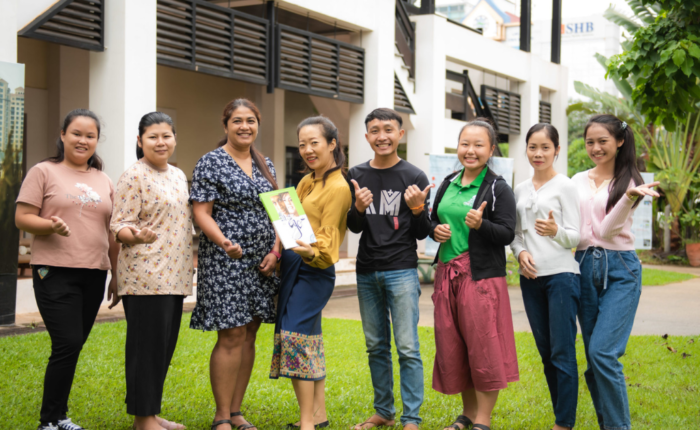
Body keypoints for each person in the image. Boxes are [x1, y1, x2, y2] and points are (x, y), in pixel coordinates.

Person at [15, 109, 119, 430]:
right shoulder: (43, 172)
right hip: (54, 270)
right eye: (76, 133)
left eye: (90, 136)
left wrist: (117, 273)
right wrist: (49, 226)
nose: (83, 140)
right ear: (62, 135)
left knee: (72, 344)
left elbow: (112, 231)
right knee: (68, 341)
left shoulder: (103, 180)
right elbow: (22, 218)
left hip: (94, 273)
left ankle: (59, 416)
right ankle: (49, 419)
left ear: (96, 141)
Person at [189, 99, 281, 430]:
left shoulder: (265, 162)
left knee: (250, 333)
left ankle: (238, 412)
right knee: (232, 333)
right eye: (238, 120)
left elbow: (278, 211)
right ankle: (221, 415)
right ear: (225, 125)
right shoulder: (210, 162)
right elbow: (201, 211)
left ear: (258, 124)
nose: (245, 126)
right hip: (226, 259)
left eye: (251, 121)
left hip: (262, 262)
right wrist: (223, 241)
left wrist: (276, 250)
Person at [429, 118, 518, 430]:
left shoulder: (498, 188)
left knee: (483, 347)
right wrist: (434, 229)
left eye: (479, 145)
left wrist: (482, 225)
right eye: (465, 144)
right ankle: (467, 414)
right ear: (458, 147)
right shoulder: (448, 182)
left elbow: (507, 233)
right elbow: (433, 220)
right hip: (447, 275)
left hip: (480, 278)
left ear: (491, 149)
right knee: (454, 345)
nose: (471, 150)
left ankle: (483, 418)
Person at [347, 108, 431, 430]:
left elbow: (422, 230)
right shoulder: (355, 175)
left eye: (388, 129)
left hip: (402, 269)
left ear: (400, 134)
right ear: (367, 136)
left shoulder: (415, 176)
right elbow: (353, 227)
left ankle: (411, 418)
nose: (381, 136)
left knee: (408, 346)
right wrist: (357, 208)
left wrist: (418, 208)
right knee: (375, 346)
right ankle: (383, 411)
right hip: (366, 269)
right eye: (374, 130)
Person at [573, 114, 659, 430]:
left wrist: (626, 199)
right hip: (582, 265)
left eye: (603, 141)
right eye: (590, 142)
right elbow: (579, 232)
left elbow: (607, 231)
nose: (595, 148)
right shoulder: (577, 181)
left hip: (621, 269)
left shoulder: (631, 183)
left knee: (602, 353)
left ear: (619, 142)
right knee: (595, 364)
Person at [110, 112, 193, 430]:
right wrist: (136, 235)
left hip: (174, 275)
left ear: (174, 138)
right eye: (153, 136)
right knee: (146, 349)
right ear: (140, 140)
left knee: (162, 348)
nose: (161, 142)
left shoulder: (177, 174)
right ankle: (142, 420)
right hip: (145, 275)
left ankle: (152, 413)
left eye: (166, 135)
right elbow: (119, 224)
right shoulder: (134, 175)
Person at [269, 116, 351, 430]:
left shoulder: (339, 187)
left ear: (332, 144)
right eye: (302, 144)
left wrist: (309, 252)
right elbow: (290, 223)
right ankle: (319, 415)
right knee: (309, 341)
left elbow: (328, 245)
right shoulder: (306, 181)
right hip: (292, 267)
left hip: (314, 272)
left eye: (314, 142)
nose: (307, 150)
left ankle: (306, 424)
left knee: (295, 339)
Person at [510, 124, 581, 430]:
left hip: (562, 277)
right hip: (531, 278)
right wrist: (520, 254)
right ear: (526, 149)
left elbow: (577, 234)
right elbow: (515, 236)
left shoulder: (565, 186)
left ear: (557, 150)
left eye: (545, 148)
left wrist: (557, 232)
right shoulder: (520, 189)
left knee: (562, 351)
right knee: (546, 353)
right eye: (532, 147)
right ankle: (560, 417)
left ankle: (564, 423)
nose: (538, 154)